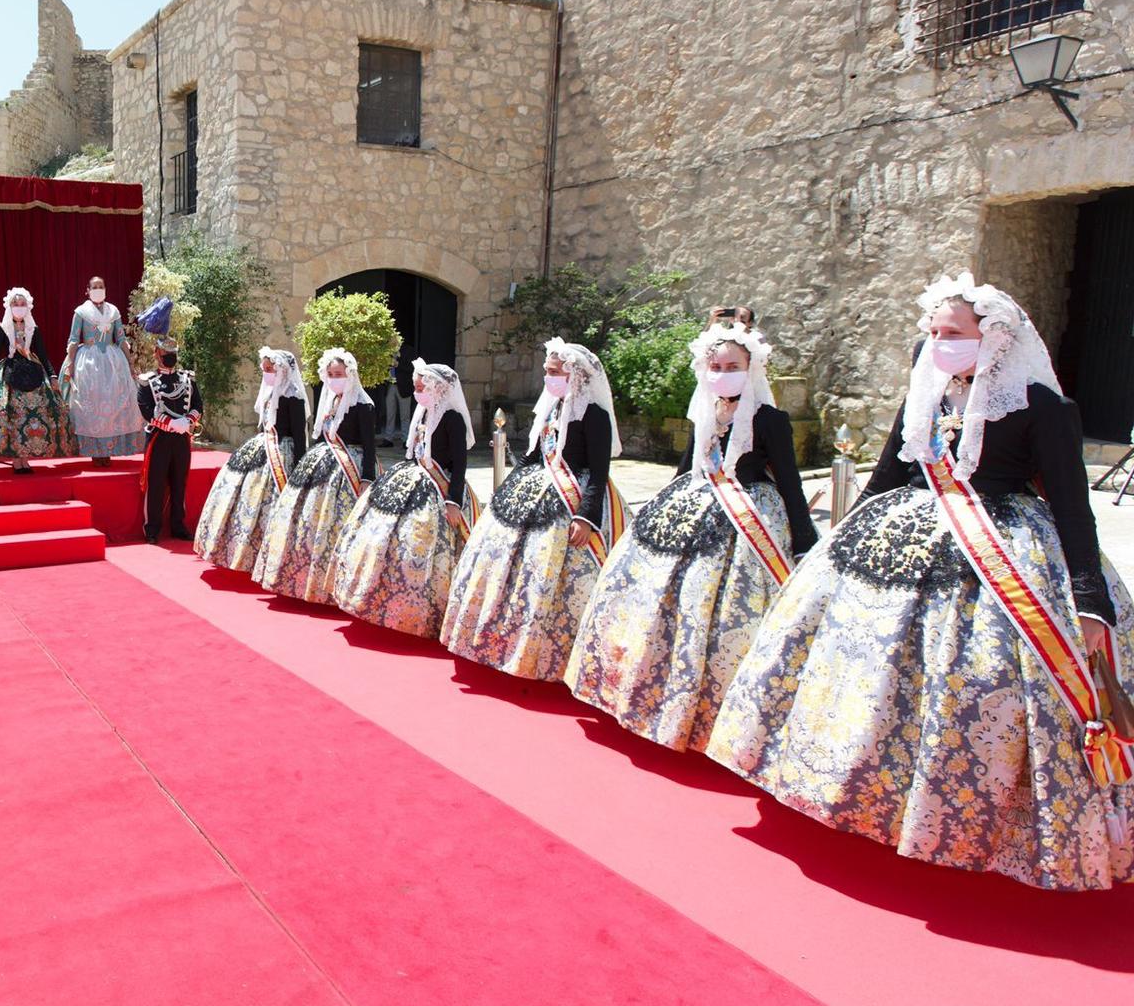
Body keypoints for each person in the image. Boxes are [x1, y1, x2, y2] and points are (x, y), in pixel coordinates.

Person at [707, 274, 1134, 891]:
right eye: (932, 332)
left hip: (1001, 552)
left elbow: (1073, 508)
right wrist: (837, 542)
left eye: (952, 333)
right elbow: (888, 472)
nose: (940, 344)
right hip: (901, 536)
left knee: (972, 682)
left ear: (994, 337)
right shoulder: (925, 390)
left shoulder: (1043, 406)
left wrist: (1089, 598)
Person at [564, 322, 814, 750]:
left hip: (747, 518)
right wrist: (665, 507)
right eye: (715, 365)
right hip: (695, 505)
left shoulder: (769, 418)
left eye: (731, 366)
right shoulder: (705, 410)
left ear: (750, 368)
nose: (721, 372)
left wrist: (804, 538)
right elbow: (687, 466)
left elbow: (789, 480)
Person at [439, 340, 623, 680]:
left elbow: (599, 470)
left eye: (555, 373)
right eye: (546, 372)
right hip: (534, 491)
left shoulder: (594, 413)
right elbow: (534, 455)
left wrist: (586, 516)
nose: (548, 378)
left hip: (572, 501)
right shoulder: (550, 408)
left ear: (576, 374)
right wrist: (508, 489)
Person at [331, 360, 479, 638]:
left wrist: (453, 501)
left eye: (422, 387)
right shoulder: (423, 412)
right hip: (415, 480)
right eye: (416, 387)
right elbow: (415, 451)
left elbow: (459, 465)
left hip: (441, 490)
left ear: (438, 387)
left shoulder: (453, 418)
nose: (418, 392)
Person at [253, 348, 378, 602]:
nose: (333, 378)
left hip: (349, 472)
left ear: (350, 375)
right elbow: (322, 435)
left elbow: (369, 446)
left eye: (338, 374)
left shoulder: (363, 405)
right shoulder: (331, 400)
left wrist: (367, 479)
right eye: (330, 374)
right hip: (325, 467)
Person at [194, 349, 311, 572]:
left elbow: (299, 436)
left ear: (282, 370)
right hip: (262, 448)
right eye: (264, 369)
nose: (266, 373)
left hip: (282, 454)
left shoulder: (293, 396)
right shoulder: (268, 391)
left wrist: (298, 469)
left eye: (270, 369)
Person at [0, 286, 75, 473]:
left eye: (22, 304)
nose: (19, 307)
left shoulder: (34, 329)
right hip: (9, 373)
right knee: (12, 417)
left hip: (32, 371)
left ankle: (25, 456)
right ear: (9, 306)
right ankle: (16, 459)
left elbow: (43, 354)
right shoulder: (3, 329)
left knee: (32, 415)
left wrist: (53, 375)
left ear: (28, 307)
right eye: (15, 304)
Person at [62, 275, 146, 464]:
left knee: (112, 405)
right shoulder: (81, 312)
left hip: (112, 362)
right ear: (88, 290)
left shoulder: (113, 311)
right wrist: (70, 364)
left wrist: (129, 361)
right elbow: (74, 339)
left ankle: (108, 450)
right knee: (90, 407)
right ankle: (94, 452)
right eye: (94, 286)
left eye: (101, 286)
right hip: (88, 363)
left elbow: (121, 337)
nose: (98, 289)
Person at [136, 339, 203, 542]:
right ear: (157, 353)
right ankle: (152, 529)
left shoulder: (188, 380)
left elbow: (198, 405)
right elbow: (146, 409)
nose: (170, 355)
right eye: (166, 351)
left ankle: (178, 526)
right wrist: (170, 424)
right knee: (155, 484)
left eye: (173, 351)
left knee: (179, 483)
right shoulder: (148, 382)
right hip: (159, 438)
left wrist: (188, 421)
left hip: (182, 438)